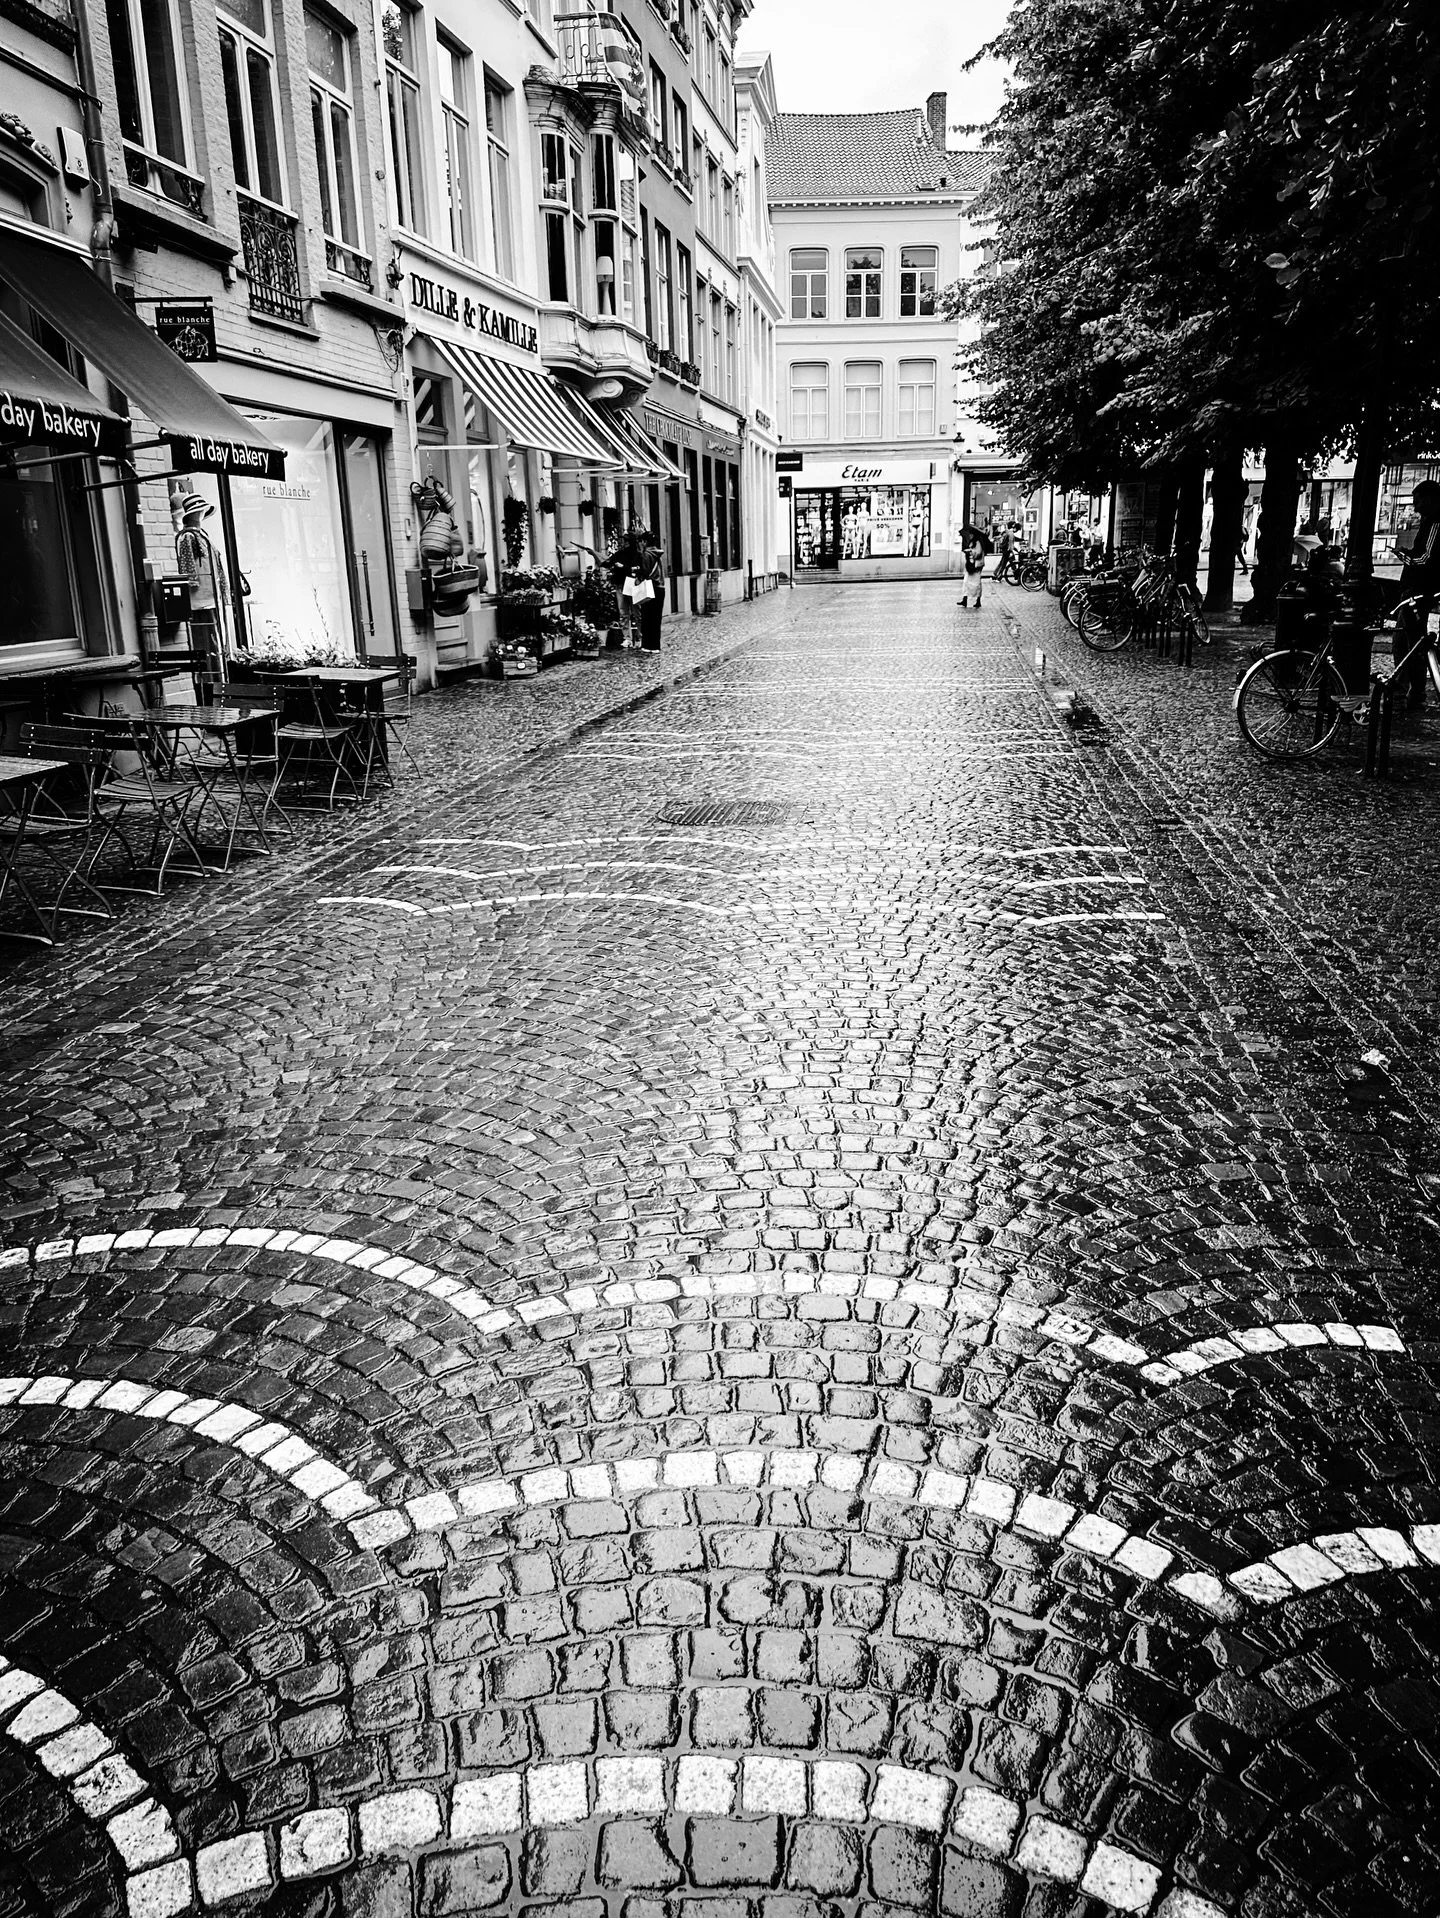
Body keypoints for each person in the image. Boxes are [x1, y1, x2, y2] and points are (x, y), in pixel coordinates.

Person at [1395, 478, 1440, 709]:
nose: (1415, 506)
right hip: (1420, 590)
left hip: (1421, 591)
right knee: (1406, 640)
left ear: (1430, 499)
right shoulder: (1429, 522)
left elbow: (1425, 559)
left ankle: (1413, 689)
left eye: (1418, 500)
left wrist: (1403, 556)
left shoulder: (1434, 524)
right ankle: (1409, 688)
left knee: (1411, 642)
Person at [632, 529, 665, 651]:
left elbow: (645, 572)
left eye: (641, 541)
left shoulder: (646, 554)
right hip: (660, 587)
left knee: (647, 617)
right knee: (656, 619)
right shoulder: (658, 554)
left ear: (645, 542)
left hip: (650, 587)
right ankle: (655, 646)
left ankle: (647, 645)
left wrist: (637, 575)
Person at [958, 526, 989, 609]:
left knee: (976, 583)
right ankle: (965, 599)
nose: (970, 536)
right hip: (971, 564)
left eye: (971, 534)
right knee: (966, 581)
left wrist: (970, 552)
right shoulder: (972, 542)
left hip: (977, 564)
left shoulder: (978, 542)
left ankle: (978, 600)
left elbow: (978, 553)